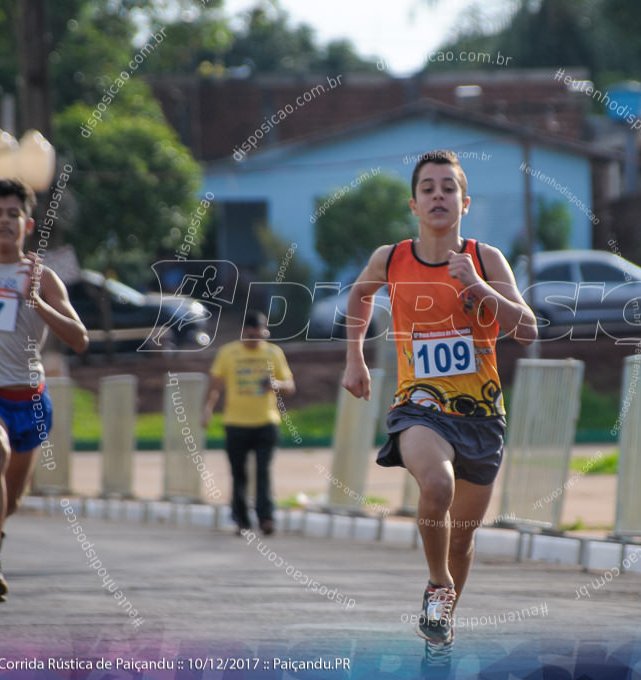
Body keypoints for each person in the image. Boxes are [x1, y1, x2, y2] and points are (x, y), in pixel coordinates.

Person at [341, 150, 537, 662]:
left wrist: (475, 284)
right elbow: (360, 296)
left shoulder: (486, 257)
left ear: (464, 202)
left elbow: (528, 329)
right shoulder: (391, 258)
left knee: (463, 540)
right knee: (436, 485)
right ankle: (437, 584)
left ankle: (441, 620)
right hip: (419, 406)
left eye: (448, 188)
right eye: (428, 188)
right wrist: (355, 358)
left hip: (481, 415)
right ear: (414, 203)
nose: (438, 196)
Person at [0, 178, 89, 604]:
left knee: (13, 497)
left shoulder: (42, 277)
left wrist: (37, 303)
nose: (5, 221)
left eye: (13, 214)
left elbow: (79, 339)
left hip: (27, 400)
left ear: (27, 224)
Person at [202, 311, 295, 536]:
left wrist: (276, 384)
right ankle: (242, 520)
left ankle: (266, 518)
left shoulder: (273, 352)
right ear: (243, 332)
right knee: (238, 473)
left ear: (265, 332)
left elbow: (290, 386)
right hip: (236, 423)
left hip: (266, 421)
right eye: (250, 335)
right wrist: (207, 410)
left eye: (258, 335)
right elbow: (215, 385)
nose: (254, 339)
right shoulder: (228, 353)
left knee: (263, 471)